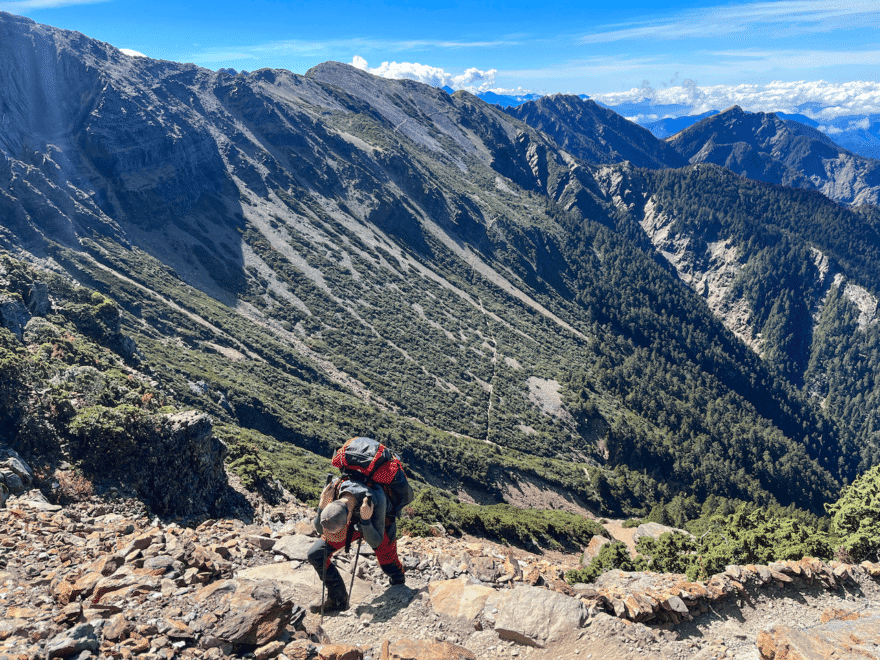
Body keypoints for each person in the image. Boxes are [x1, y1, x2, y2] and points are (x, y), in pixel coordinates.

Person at [307, 477, 406, 613]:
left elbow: (376, 540)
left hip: (378, 524)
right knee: (316, 554)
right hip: (354, 523)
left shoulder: (376, 497)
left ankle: (398, 582)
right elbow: (319, 528)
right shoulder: (334, 488)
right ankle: (338, 600)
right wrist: (321, 506)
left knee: (389, 564)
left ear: (347, 519)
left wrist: (365, 520)